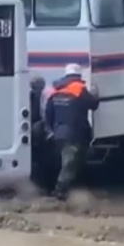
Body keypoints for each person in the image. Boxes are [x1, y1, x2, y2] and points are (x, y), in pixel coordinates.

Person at [44, 63, 99, 200]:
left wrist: (52, 130)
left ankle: (69, 190)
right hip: (74, 134)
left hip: (59, 134)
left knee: (70, 162)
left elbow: (48, 114)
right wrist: (96, 92)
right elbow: (93, 104)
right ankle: (59, 191)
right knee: (70, 164)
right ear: (78, 75)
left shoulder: (55, 91)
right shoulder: (79, 89)